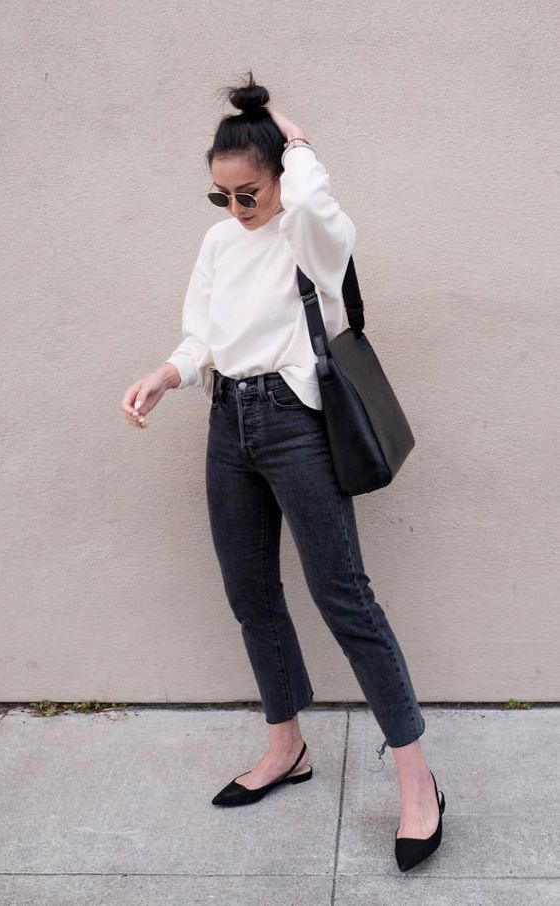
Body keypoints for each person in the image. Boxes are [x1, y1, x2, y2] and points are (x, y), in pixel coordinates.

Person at [120, 70, 445, 872]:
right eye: (220, 195)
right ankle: (285, 745)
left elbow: (315, 211)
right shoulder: (218, 241)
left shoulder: (308, 234)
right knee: (250, 593)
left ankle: (417, 781)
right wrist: (167, 372)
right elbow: (202, 334)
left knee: (345, 598)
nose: (236, 209)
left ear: (278, 179)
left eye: (248, 193)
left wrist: (297, 145)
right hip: (227, 422)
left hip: (297, 425)